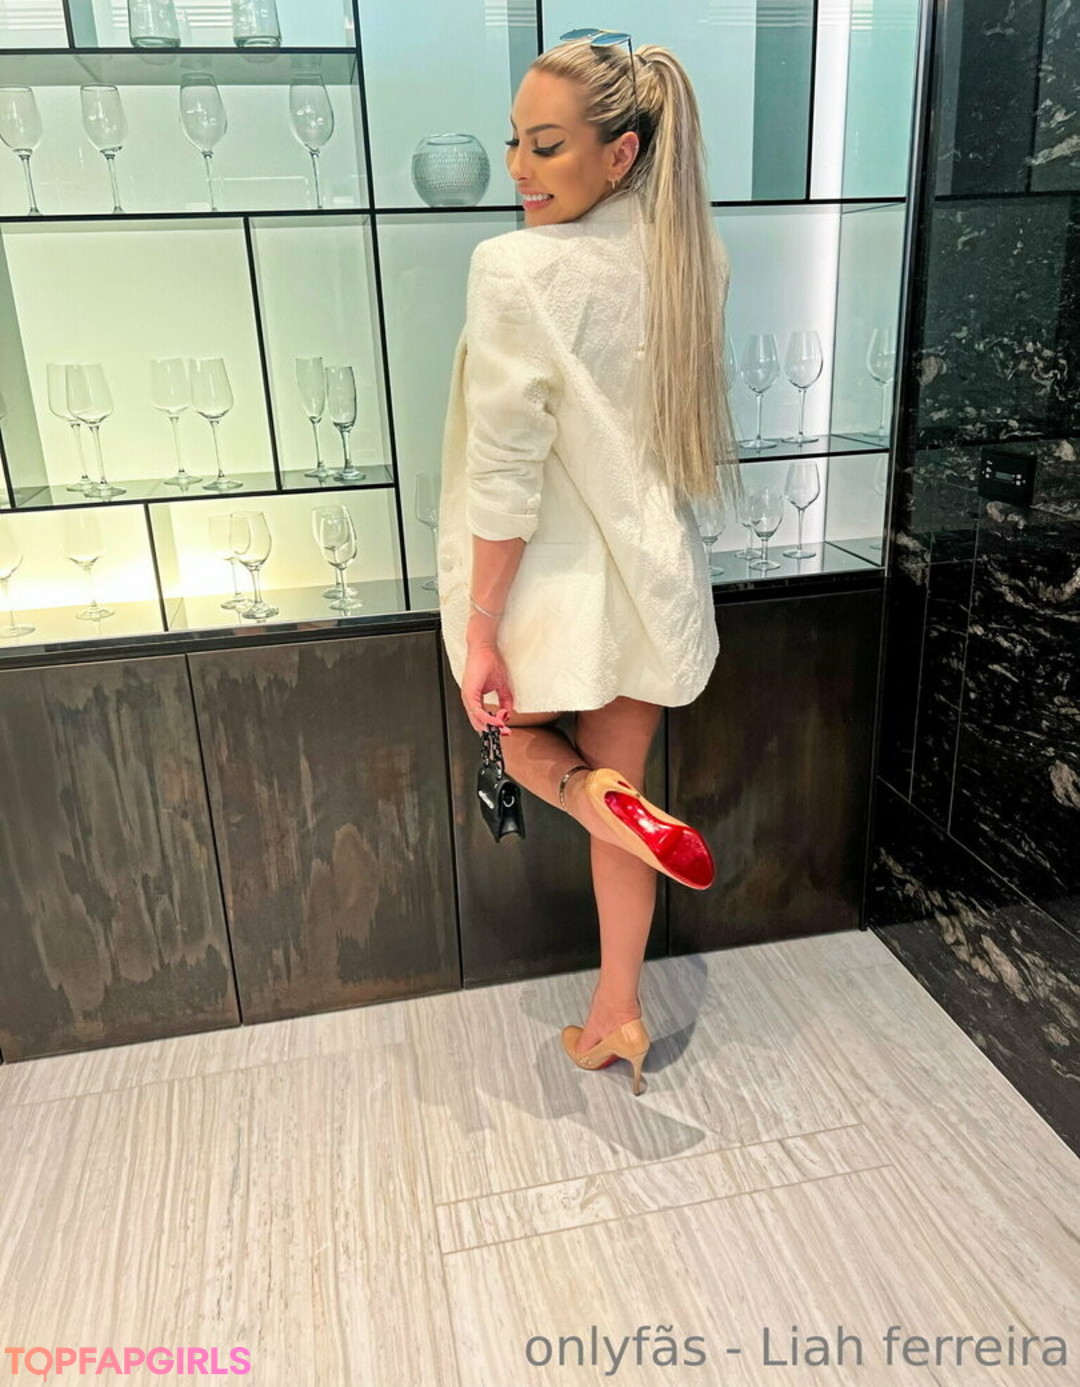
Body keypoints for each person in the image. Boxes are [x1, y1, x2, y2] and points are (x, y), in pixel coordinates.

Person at [436, 32, 741, 1095]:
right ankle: (619, 1011)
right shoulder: (690, 259)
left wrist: (481, 625)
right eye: (515, 141)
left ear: (621, 154)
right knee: (629, 802)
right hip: (652, 587)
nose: (519, 168)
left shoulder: (516, 268)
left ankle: (586, 793)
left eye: (548, 146)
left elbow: (504, 471)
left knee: (515, 735)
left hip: (550, 591)